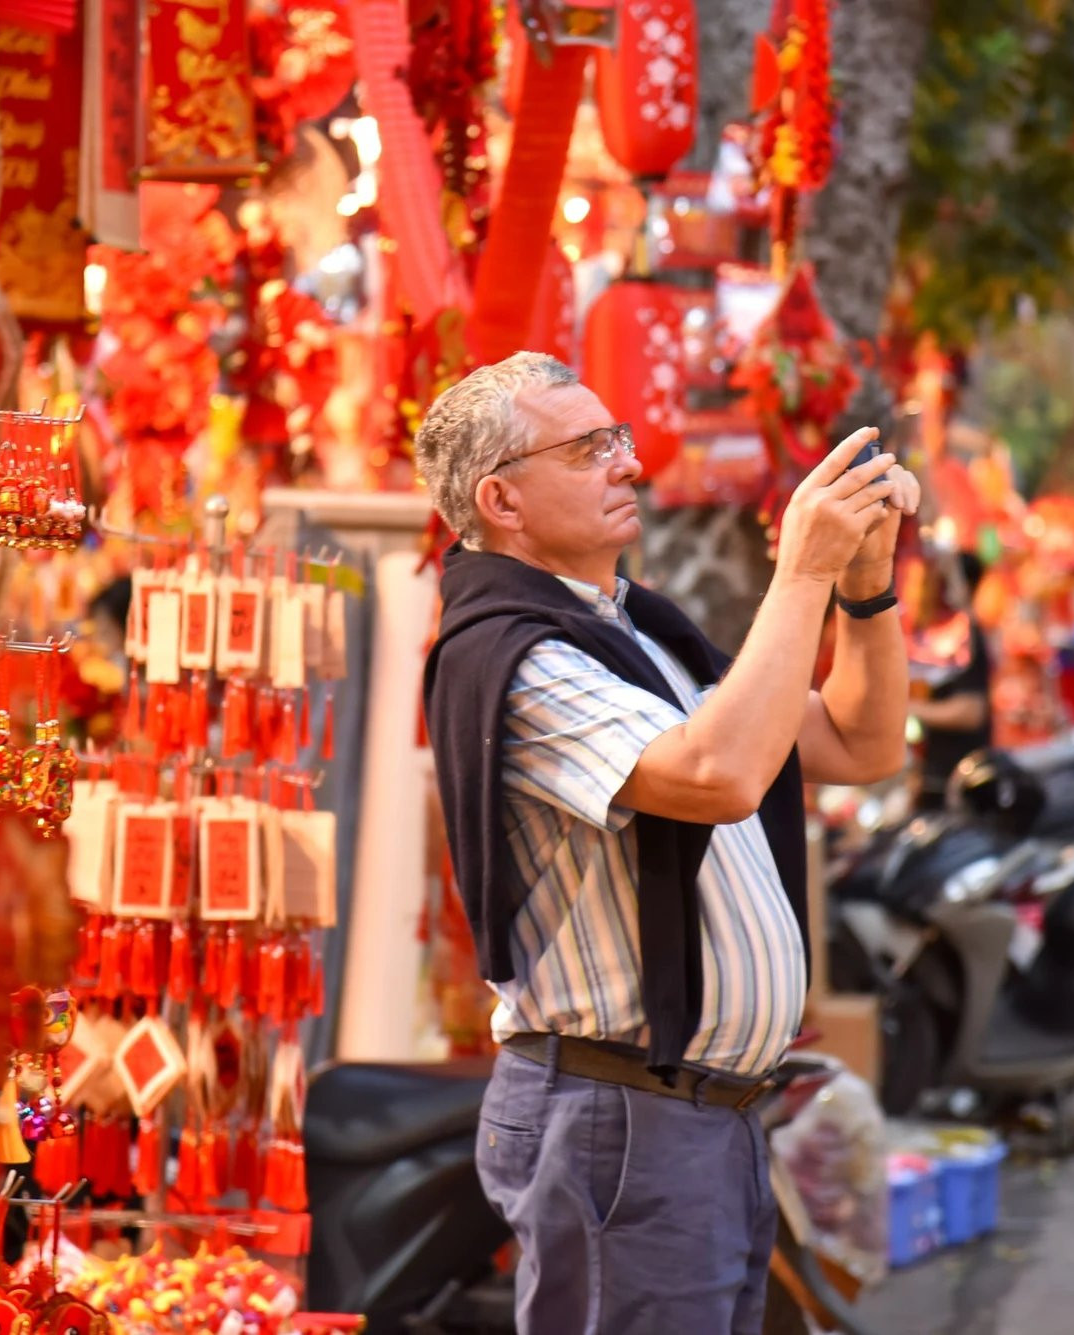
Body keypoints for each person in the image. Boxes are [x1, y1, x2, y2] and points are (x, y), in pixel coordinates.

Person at [415, 352, 918, 1334]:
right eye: (588, 448)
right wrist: (802, 570)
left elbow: (860, 741)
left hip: (699, 1114)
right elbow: (718, 776)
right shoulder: (513, 655)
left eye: (621, 440)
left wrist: (860, 589)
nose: (627, 467)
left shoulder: (636, 633)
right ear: (501, 500)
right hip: (622, 1118)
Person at [908, 548, 991, 805]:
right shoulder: (934, 641)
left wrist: (906, 709)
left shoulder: (966, 638)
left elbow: (970, 712)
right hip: (936, 777)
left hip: (960, 781)